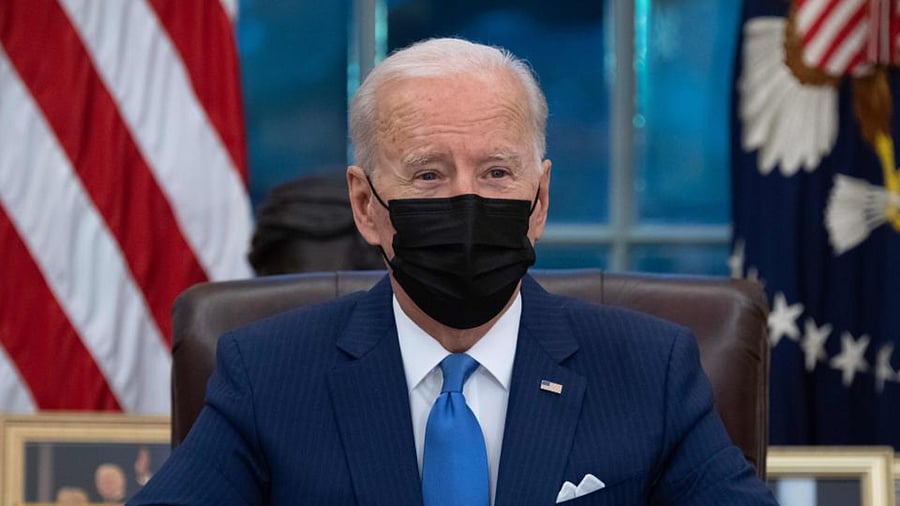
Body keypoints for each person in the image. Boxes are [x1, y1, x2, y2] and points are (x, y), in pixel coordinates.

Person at [128, 38, 777, 505]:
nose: (466, 202)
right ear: (366, 206)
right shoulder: (268, 376)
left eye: (497, 173)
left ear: (540, 200)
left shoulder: (648, 371)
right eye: (429, 174)